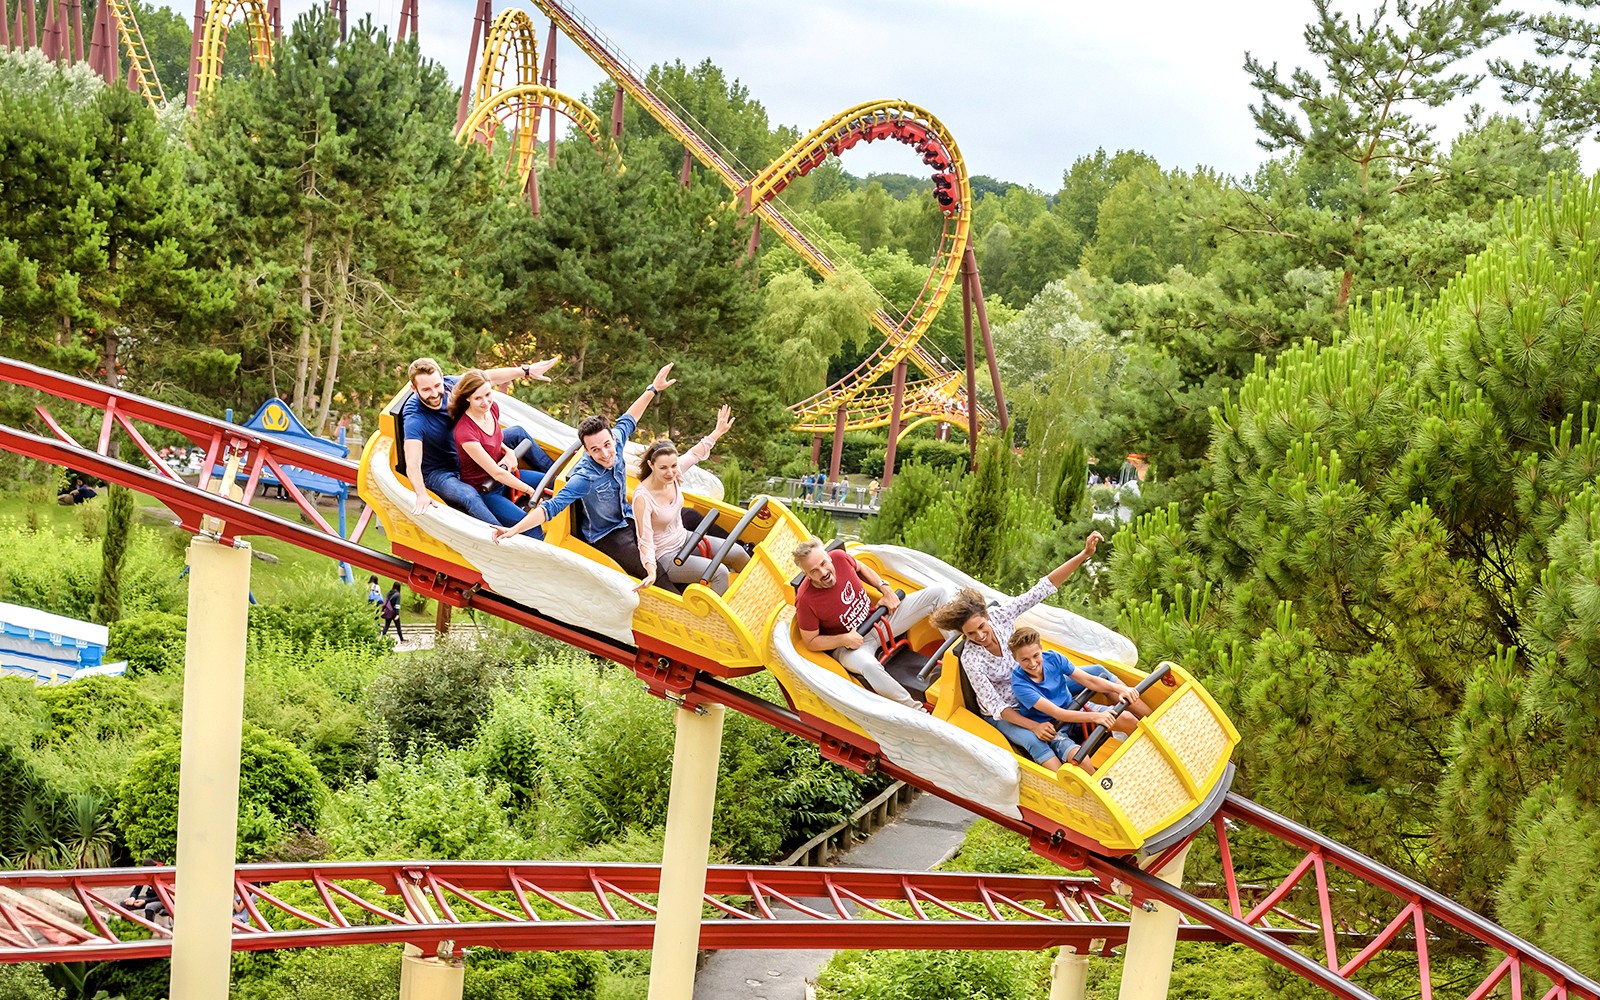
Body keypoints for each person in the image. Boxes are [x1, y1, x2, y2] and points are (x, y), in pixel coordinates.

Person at [931, 531, 1135, 772]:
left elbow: (1043, 588)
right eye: (970, 635)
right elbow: (997, 707)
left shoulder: (1001, 615)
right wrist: (1032, 725)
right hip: (1013, 710)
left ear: (986, 616)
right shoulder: (972, 660)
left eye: (981, 628)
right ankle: (1065, 786)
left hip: (1035, 686)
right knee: (1035, 740)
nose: (980, 637)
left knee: (1101, 674)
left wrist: (1084, 554)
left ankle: (1152, 721)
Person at [493, 364, 676, 580]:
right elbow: (551, 508)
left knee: (670, 533)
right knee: (651, 569)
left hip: (625, 515)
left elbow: (630, 418)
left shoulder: (616, 442)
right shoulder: (584, 478)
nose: (605, 454)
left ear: (612, 439)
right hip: (605, 534)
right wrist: (514, 530)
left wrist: (653, 389)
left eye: (607, 445)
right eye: (596, 450)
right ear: (587, 451)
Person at [792, 539, 952, 710]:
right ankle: (916, 711)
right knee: (869, 666)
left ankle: (960, 655)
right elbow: (810, 641)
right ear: (807, 575)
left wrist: (885, 589)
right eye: (814, 571)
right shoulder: (805, 600)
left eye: (823, 563)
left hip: (878, 620)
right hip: (851, 645)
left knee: (938, 593)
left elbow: (860, 568)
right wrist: (844, 639)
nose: (823, 572)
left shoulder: (839, 557)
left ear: (828, 557)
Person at [401, 355, 558, 522]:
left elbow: (486, 378)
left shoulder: (450, 385)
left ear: (442, 377)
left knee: (518, 433)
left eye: (437, 385)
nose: (434, 394)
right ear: (414, 388)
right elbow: (412, 462)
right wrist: (421, 494)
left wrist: (526, 370)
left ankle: (557, 477)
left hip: (466, 450)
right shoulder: (415, 418)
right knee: (469, 495)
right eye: (426, 390)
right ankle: (499, 535)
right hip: (442, 470)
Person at [633, 405, 749, 595]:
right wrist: (651, 570)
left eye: (673, 466)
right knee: (719, 572)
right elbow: (644, 539)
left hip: (685, 538)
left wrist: (717, 432)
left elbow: (695, 453)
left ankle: (750, 595)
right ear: (651, 465)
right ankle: (716, 621)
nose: (670, 472)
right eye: (663, 468)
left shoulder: (674, 475)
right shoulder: (643, 497)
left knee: (737, 553)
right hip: (667, 556)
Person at [1009, 626, 1147, 769]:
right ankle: (1102, 788)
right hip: (1054, 727)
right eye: (1025, 659)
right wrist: (1095, 717)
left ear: (1041, 649)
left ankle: (1147, 757)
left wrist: (1120, 688)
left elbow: (1089, 680)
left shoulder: (1054, 658)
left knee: (1127, 718)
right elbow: (1058, 713)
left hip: (1074, 708)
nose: (1032, 663)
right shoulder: (1020, 685)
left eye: (1036, 656)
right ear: (1015, 659)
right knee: (1081, 760)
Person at [449, 368, 553, 529]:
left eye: (488, 394)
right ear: (468, 398)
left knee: (554, 483)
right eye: (478, 398)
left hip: (507, 476)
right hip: (487, 489)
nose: (485, 401)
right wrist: (529, 490)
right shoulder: (465, 432)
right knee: (531, 526)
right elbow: (496, 473)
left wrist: (508, 451)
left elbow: (494, 439)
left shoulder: (492, 409)